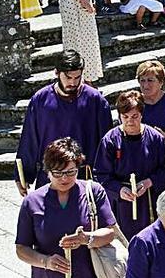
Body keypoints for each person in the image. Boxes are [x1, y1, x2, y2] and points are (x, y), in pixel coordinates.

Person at [15, 138, 118, 278]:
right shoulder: (32, 202)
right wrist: (46, 261)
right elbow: (21, 248)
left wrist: (87, 238)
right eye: (58, 173)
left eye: (71, 172)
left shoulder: (93, 192)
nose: (65, 178)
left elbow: (110, 232)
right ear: (47, 172)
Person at [16, 50, 112, 194]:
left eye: (77, 77)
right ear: (57, 72)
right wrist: (22, 175)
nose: (73, 82)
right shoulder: (40, 100)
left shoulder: (95, 100)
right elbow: (29, 139)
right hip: (50, 178)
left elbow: (107, 142)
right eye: (68, 77)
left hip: (84, 179)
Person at [94, 90, 165, 239]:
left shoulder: (155, 138)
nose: (130, 121)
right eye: (125, 117)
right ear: (119, 117)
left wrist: (150, 182)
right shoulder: (110, 140)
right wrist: (119, 189)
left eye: (135, 116)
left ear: (142, 114)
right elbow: (101, 174)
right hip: (122, 204)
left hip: (150, 199)